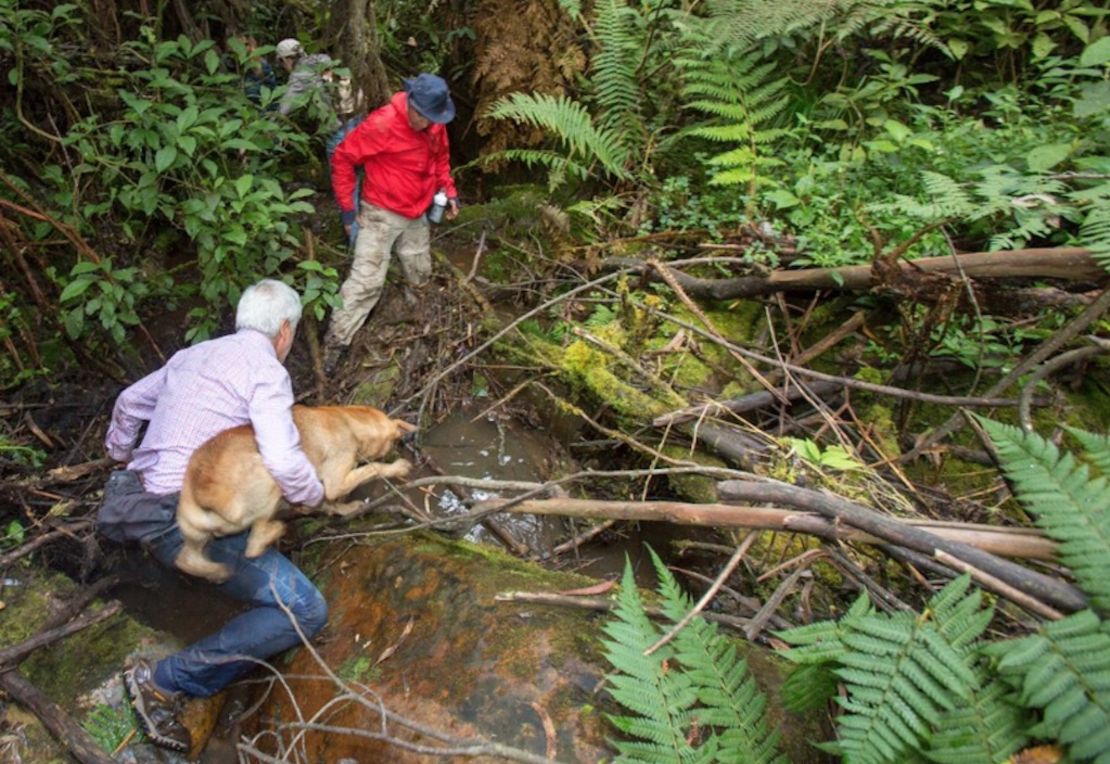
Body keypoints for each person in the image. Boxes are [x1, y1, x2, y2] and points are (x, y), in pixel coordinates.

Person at [98, 279, 327, 752]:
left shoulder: (193, 354)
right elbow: (284, 461)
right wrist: (314, 495)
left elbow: (128, 403)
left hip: (132, 498)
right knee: (305, 609)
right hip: (177, 520)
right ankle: (164, 680)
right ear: (285, 331)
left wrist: (120, 454)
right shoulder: (266, 371)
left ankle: (192, 588)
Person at [323, 73, 460, 372]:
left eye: (432, 118)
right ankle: (334, 348)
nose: (426, 123)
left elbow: (441, 159)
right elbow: (343, 158)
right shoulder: (382, 123)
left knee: (419, 272)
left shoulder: (436, 124)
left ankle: (414, 329)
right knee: (366, 283)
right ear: (410, 102)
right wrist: (348, 212)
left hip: (417, 211)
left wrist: (448, 191)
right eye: (421, 116)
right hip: (381, 211)